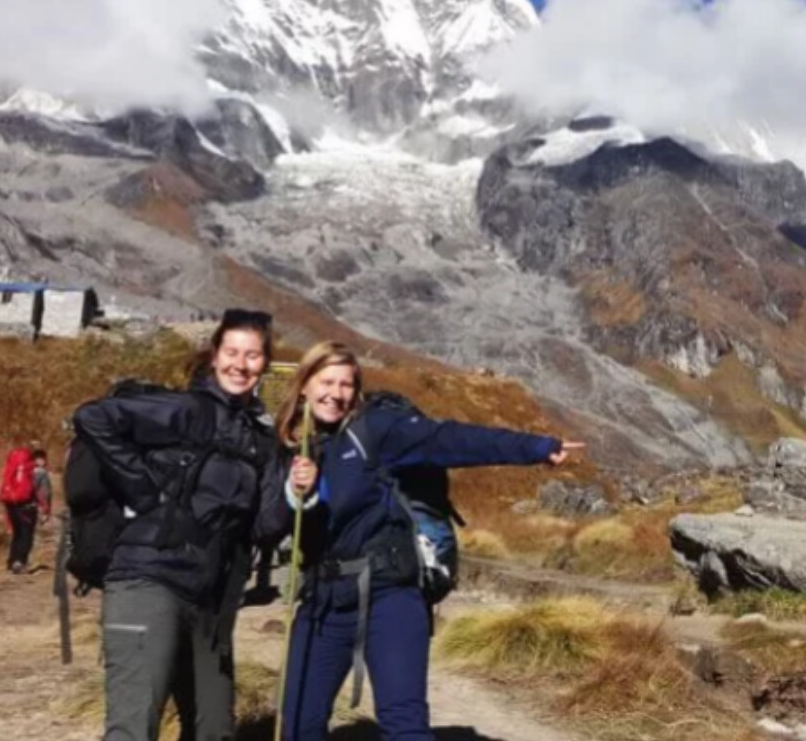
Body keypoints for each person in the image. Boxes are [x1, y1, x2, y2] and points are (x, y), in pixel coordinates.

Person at [277, 342, 583, 741]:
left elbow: (450, 439)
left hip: (389, 593)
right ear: (303, 385)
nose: (336, 393)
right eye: (326, 382)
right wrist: (295, 492)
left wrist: (537, 448)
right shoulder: (289, 445)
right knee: (298, 724)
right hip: (322, 599)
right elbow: (270, 522)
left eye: (346, 384)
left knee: (405, 726)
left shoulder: (378, 430)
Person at [72, 308, 292, 741]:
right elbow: (93, 417)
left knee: (215, 729)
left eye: (252, 355)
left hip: (211, 602)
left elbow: (265, 528)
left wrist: (293, 488)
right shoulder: (183, 409)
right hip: (147, 579)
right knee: (134, 728)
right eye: (232, 352)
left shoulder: (260, 440)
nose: (240, 364)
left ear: (265, 363)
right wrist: (142, 491)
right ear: (214, 355)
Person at [0, 440, 43, 573]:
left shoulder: (12, 462)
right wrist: (44, 507)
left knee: (17, 533)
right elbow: (38, 490)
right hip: (26, 504)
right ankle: (20, 562)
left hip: (10, 502)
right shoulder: (32, 467)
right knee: (26, 534)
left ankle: (11, 561)